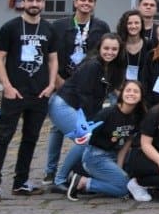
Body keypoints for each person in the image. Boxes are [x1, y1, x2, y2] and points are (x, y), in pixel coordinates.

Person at [0, 0, 57, 202]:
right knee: (3, 137)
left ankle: (21, 182)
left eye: (38, 0)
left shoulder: (48, 29)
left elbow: (52, 59)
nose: (34, 3)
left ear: (43, 3)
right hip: (14, 92)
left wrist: (52, 84)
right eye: (30, 0)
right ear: (23, 3)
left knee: (30, 138)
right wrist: (6, 86)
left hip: (39, 93)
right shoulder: (10, 27)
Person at [46, 0, 111, 185]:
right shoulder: (58, 25)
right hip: (63, 82)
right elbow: (50, 55)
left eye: (90, 1)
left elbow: (104, 55)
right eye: (82, 0)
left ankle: (80, 167)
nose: (86, 4)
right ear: (75, 2)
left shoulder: (101, 27)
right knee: (57, 128)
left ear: (94, 4)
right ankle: (51, 171)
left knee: (85, 128)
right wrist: (57, 80)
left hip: (88, 84)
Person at [49, 33, 125, 190]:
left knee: (90, 138)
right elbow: (85, 96)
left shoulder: (110, 67)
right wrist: (92, 123)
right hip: (64, 105)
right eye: (106, 48)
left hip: (79, 108)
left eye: (114, 49)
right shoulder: (93, 65)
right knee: (86, 139)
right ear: (99, 48)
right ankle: (59, 180)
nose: (110, 52)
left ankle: (80, 172)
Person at [66, 79, 146, 201]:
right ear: (121, 93)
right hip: (96, 156)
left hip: (113, 155)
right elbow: (87, 136)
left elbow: (126, 144)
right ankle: (82, 182)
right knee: (124, 188)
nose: (131, 93)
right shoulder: (108, 113)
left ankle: (101, 179)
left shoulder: (137, 116)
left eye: (136, 91)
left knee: (129, 178)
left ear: (140, 97)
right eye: (128, 90)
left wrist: (119, 168)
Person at [117, 9, 151, 85]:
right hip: (119, 91)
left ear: (141, 25)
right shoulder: (118, 45)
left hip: (142, 91)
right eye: (129, 23)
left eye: (137, 23)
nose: (133, 26)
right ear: (124, 25)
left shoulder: (149, 44)